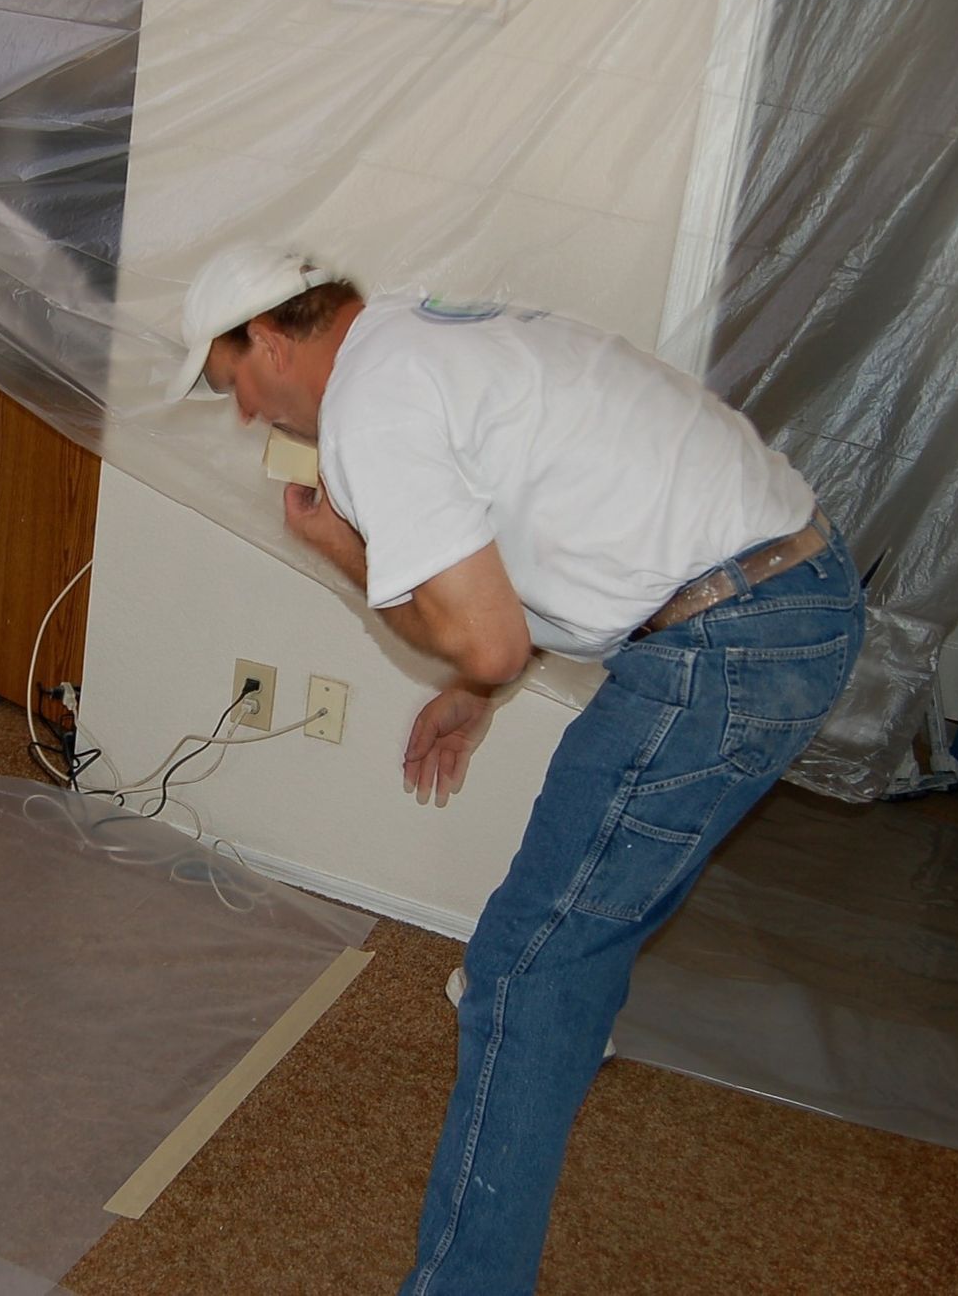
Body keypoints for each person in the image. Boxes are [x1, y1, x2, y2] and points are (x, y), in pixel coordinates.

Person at [170, 244, 865, 1296]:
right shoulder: (425, 331)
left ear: (271, 338)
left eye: (235, 384)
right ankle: (550, 1071)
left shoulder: (373, 402)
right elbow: (531, 556)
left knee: (523, 963)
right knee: (583, 931)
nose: (244, 413)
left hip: (725, 647)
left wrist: (335, 547)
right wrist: (475, 697)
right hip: (788, 597)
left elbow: (482, 636)